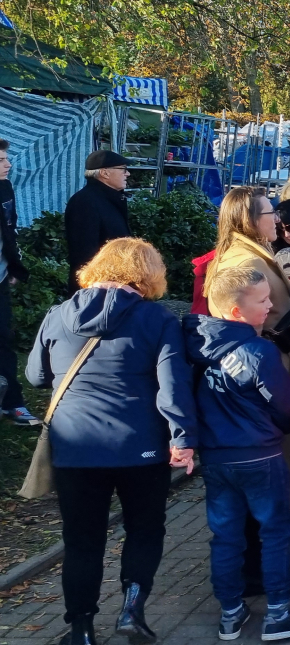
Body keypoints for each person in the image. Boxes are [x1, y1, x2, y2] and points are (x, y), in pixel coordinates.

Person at [27, 238, 197, 645]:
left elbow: (35, 376)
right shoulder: (157, 320)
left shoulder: (57, 315)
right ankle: (132, 610)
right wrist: (183, 438)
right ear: (149, 274)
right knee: (144, 529)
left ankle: (81, 630)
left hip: (75, 447)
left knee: (82, 540)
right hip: (140, 446)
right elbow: (172, 387)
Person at [186, 268, 290, 641]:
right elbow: (284, 406)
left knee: (226, 535)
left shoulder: (193, 346)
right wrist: (279, 428)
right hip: (260, 456)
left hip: (216, 457)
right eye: (262, 301)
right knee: (276, 532)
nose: (270, 306)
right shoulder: (258, 350)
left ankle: (230, 612)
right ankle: (279, 611)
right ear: (235, 311)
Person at [204, 187, 290, 594]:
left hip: (270, 365)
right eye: (269, 212)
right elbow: (235, 322)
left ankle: (258, 567)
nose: (277, 219)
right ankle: (261, 572)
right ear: (249, 219)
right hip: (262, 372)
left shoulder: (251, 252)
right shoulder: (243, 260)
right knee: (263, 479)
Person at [0, 139, 35, 425]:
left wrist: (13, 267)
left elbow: (11, 230)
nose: (8, 164)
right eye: (1, 160)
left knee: (3, 340)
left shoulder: (5, 188)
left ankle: (12, 402)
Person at [64, 150, 131, 293]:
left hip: (114, 286)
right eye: (123, 169)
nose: (127, 174)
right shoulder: (84, 202)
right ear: (105, 173)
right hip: (97, 290)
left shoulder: (110, 199)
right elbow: (84, 254)